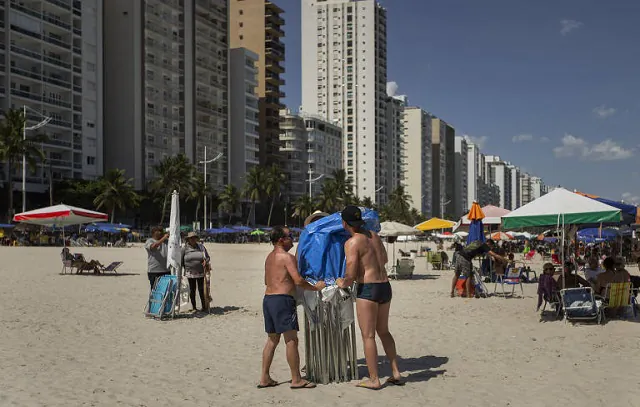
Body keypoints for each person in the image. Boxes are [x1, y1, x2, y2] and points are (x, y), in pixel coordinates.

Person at [336, 205, 403, 390]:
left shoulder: (352, 242)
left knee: (368, 336)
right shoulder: (374, 236)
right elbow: (384, 260)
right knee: (384, 331)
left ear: (344, 223)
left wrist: (342, 282)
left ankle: (374, 379)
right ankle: (395, 371)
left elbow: (350, 272)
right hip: (385, 286)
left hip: (368, 288)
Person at [259, 226, 324, 390]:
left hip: (268, 299)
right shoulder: (287, 257)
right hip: (283, 300)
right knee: (291, 340)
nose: (292, 239)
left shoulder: (269, 257)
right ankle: (296, 379)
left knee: (272, 339)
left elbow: (267, 281)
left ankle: (264, 377)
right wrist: (316, 287)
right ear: (281, 239)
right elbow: (298, 280)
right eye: (290, 236)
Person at [182, 232, 210, 312]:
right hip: (190, 272)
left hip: (201, 272)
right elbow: (180, 260)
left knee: (201, 290)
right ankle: (194, 307)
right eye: (191, 238)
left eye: (194, 238)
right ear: (188, 239)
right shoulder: (185, 248)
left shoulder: (201, 247)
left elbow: (207, 257)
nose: (193, 239)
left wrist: (206, 261)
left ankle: (204, 306)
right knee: (192, 289)